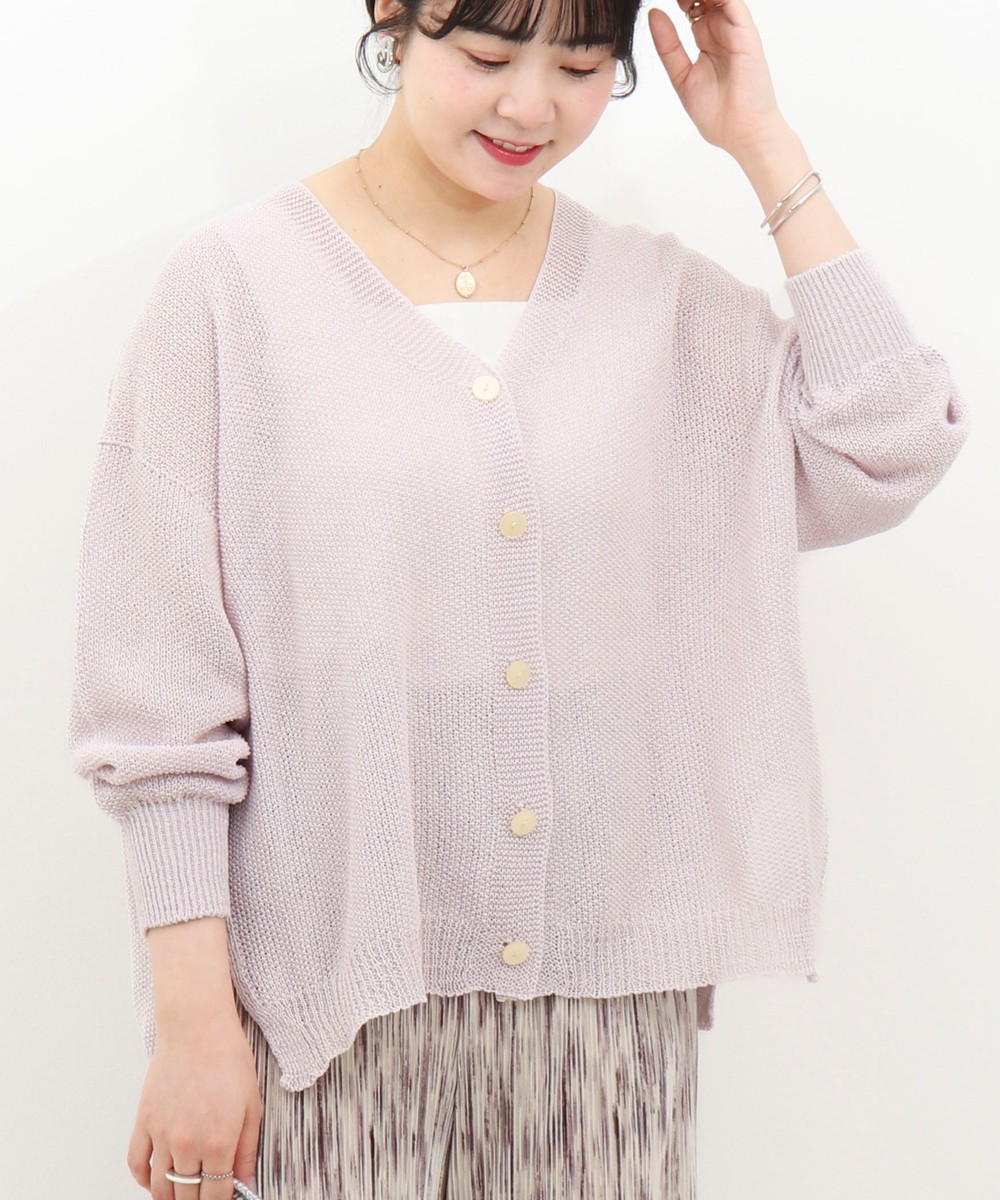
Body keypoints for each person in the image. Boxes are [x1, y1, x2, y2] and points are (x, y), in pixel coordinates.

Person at [66, 0, 971, 1197]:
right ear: (393, 18)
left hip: (601, 1032)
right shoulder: (233, 293)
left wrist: (764, 142)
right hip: (327, 1019)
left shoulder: (662, 305)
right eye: (487, 56)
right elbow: (157, 703)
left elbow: (891, 443)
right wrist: (192, 1026)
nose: (529, 106)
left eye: (581, 65)